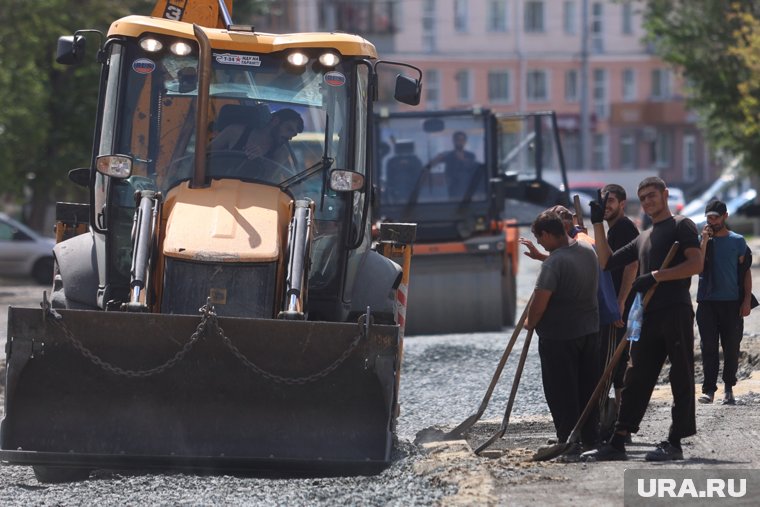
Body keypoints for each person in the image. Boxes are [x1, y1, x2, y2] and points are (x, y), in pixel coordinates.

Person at [582, 176, 702, 462]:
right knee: (635, 377)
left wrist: (656, 276)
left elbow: (696, 264)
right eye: (644, 197)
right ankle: (618, 441)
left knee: (681, 375)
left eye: (652, 195)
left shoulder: (681, 225)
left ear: (665, 194)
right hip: (648, 315)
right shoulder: (643, 237)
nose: (648, 201)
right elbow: (606, 262)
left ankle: (675, 441)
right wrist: (597, 223)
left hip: (675, 310)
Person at [524, 210, 600, 461]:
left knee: (561, 392)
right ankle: (591, 439)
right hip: (589, 331)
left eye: (540, 239)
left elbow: (540, 302)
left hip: (559, 337)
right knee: (587, 388)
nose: (540, 244)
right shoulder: (587, 251)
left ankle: (569, 442)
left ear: (548, 234)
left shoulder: (554, 263)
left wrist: (529, 322)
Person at [696, 200, 752, 405]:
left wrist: (746, 300)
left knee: (731, 347)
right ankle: (709, 390)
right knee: (708, 346)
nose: (712, 221)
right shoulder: (702, 241)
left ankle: (729, 389)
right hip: (707, 303)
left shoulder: (738, 241)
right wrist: (703, 242)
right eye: (709, 217)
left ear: (725, 217)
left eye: (715, 217)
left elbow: (745, 273)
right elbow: (698, 267)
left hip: (732, 303)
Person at [599, 184, 640, 436]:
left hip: (621, 306)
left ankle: (621, 423)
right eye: (604, 200)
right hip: (617, 305)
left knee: (618, 362)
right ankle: (618, 422)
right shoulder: (612, 230)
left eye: (611, 200)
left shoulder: (623, 228)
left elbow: (632, 264)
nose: (606, 205)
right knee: (615, 362)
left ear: (622, 203)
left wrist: (620, 302)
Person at [209, 108, 304, 175]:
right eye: (288, 129)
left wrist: (261, 160)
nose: (289, 137)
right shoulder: (235, 131)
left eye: (293, 135)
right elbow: (204, 156)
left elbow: (269, 180)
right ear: (275, 121)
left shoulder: (281, 152)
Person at [425, 131, 478, 198]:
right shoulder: (448, 155)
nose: (460, 142)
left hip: (467, 186)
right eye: (458, 140)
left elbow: (472, 166)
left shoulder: (470, 155)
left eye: (462, 140)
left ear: (465, 141)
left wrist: (462, 159)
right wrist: (437, 158)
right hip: (452, 187)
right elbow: (429, 166)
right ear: (454, 141)